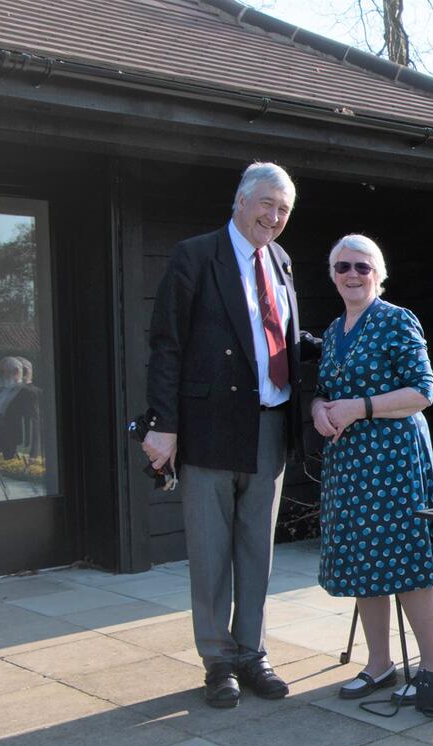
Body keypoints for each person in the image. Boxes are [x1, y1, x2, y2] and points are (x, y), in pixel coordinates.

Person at [143, 162, 309, 709]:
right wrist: (163, 426)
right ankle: (218, 660)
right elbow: (166, 345)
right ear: (240, 200)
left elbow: (280, 339)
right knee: (212, 551)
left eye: (284, 209)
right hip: (209, 427)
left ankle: (252, 651)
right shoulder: (195, 256)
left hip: (268, 425)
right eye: (267, 204)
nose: (275, 217)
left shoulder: (281, 261)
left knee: (257, 551)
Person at [312, 234, 433, 703]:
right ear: (332, 274)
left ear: (378, 274)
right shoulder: (332, 332)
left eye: (363, 268)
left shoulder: (396, 321)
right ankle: (379, 664)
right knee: (364, 564)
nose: (352, 275)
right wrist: (318, 408)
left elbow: (423, 392)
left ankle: (432, 671)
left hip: (393, 460)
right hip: (348, 464)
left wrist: (359, 408)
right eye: (343, 266)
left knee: (406, 564)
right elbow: (326, 389)